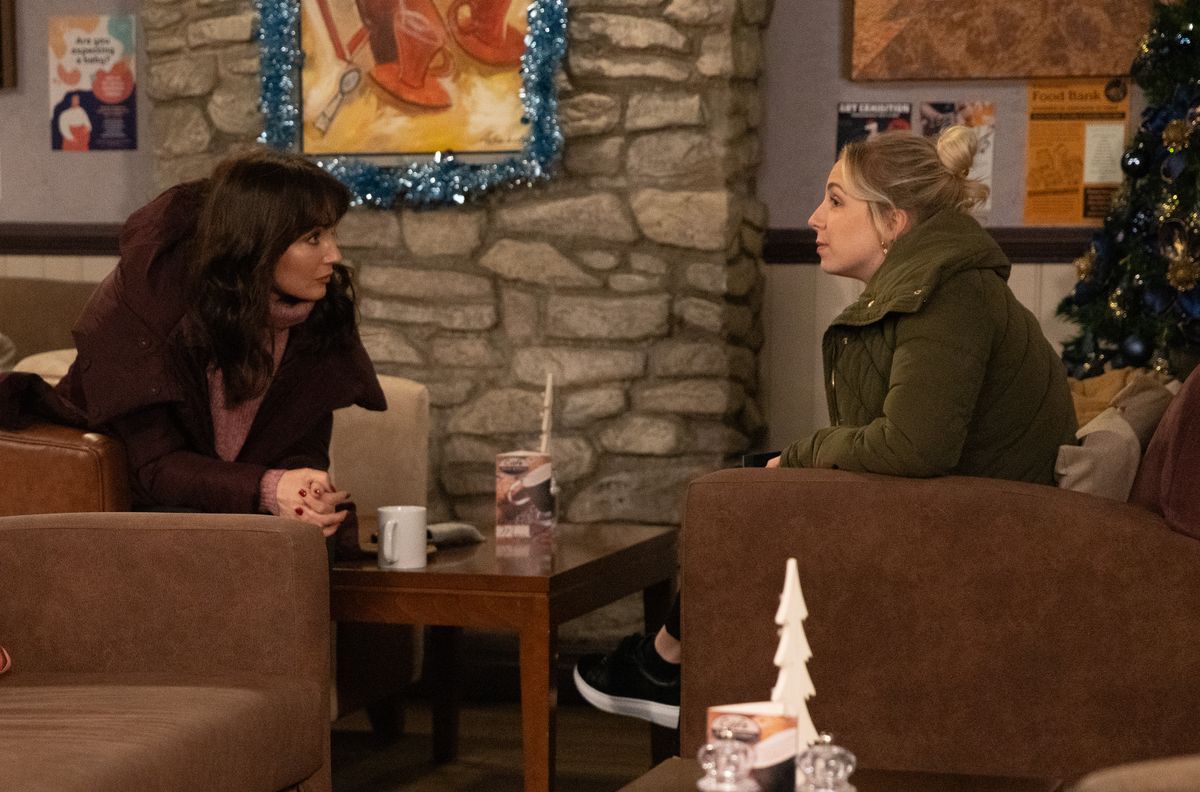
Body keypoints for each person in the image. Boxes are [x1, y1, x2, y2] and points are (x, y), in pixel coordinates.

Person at [573, 125, 1078, 729]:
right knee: (750, 482)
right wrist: (801, 461)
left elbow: (913, 445)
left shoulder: (948, 295)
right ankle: (674, 669)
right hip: (957, 513)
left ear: (893, 222)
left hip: (981, 536)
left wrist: (806, 453)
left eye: (836, 201)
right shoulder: (933, 285)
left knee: (751, 498)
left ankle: (669, 669)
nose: (814, 217)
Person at [52, 147, 385, 554]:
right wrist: (269, 488)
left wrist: (305, 491)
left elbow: (303, 443)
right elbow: (153, 465)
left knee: (323, 536)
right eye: (313, 238)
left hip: (229, 515)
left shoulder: (321, 313)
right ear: (257, 243)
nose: (334, 255)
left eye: (332, 233)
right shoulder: (148, 307)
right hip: (124, 515)